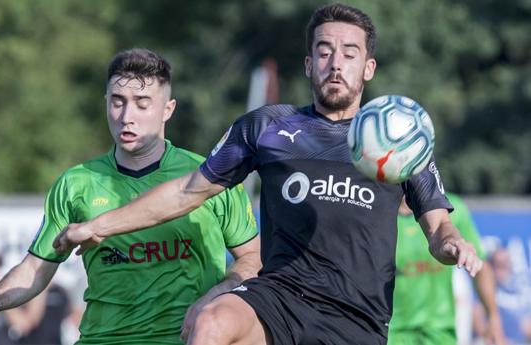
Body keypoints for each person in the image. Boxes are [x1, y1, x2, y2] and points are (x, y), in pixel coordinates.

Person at [52, 4, 483, 345]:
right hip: (280, 298)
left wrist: (452, 245)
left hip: (358, 315)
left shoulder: (400, 139)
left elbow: (438, 226)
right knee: (213, 323)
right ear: (308, 64)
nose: (336, 63)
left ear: (368, 67)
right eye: (324, 51)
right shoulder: (269, 128)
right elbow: (186, 191)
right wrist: (97, 225)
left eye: (349, 53)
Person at [0, 48, 260, 345]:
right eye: (118, 102)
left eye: (142, 104)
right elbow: (36, 268)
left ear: (167, 109)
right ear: (106, 103)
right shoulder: (75, 183)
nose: (126, 116)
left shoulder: (209, 177)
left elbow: (253, 258)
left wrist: (216, 297)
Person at [388, 193, 505, 345]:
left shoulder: (451, 209)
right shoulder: (374, 212)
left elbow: (480, 266)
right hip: (390, 333)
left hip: (440, 332)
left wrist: (493, 317)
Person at [477, 247, 531, 343]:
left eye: (506, 262)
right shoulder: (485, 289)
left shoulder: (522, 289)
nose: (503, 266)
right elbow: (477, 318)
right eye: (498, 264)